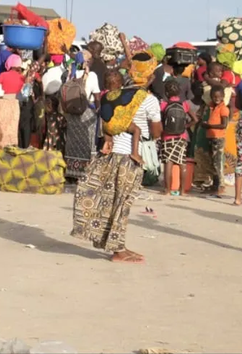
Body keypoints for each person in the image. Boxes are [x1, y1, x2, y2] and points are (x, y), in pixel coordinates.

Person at [73, 54, 162, 264]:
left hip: (111, 156)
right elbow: (157, 132)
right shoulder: (148, 99)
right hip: (129, 160)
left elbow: (106, 124)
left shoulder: (113, 96)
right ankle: (118, 251)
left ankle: (119, 246)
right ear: (149, 75)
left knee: (112, 201)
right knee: (122, 204)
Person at [62, 51, 101, 180]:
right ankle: (85, 172)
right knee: (87, 141)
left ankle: (71, 172)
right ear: (87, 61)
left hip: (72, 112)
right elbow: (96, 95)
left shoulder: (70, 73)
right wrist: (98, 108)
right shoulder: (92, 75)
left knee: (72, 142)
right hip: (87, 111)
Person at [160, 79, 198, 196]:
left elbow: (160, 121)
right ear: (180, 92)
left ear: (166, 93)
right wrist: (185, 127)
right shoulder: (184, 105)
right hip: (181, 136)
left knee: (168, 163)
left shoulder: (163, 105)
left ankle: (167, 190)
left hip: (167, 136)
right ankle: (182, 191)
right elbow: (195, 119)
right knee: (182, 163)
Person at [202, 85, 229, 197]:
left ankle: (221, 186)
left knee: (218, 163)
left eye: (218, 97)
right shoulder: (211, 107)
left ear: (223, 97)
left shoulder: (223, 108)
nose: (216, 98)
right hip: (211, 137)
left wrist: (209, 126)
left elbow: (224, 125)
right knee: (213, 163)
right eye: (214, 96)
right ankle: (215, 185)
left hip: (218, 138)